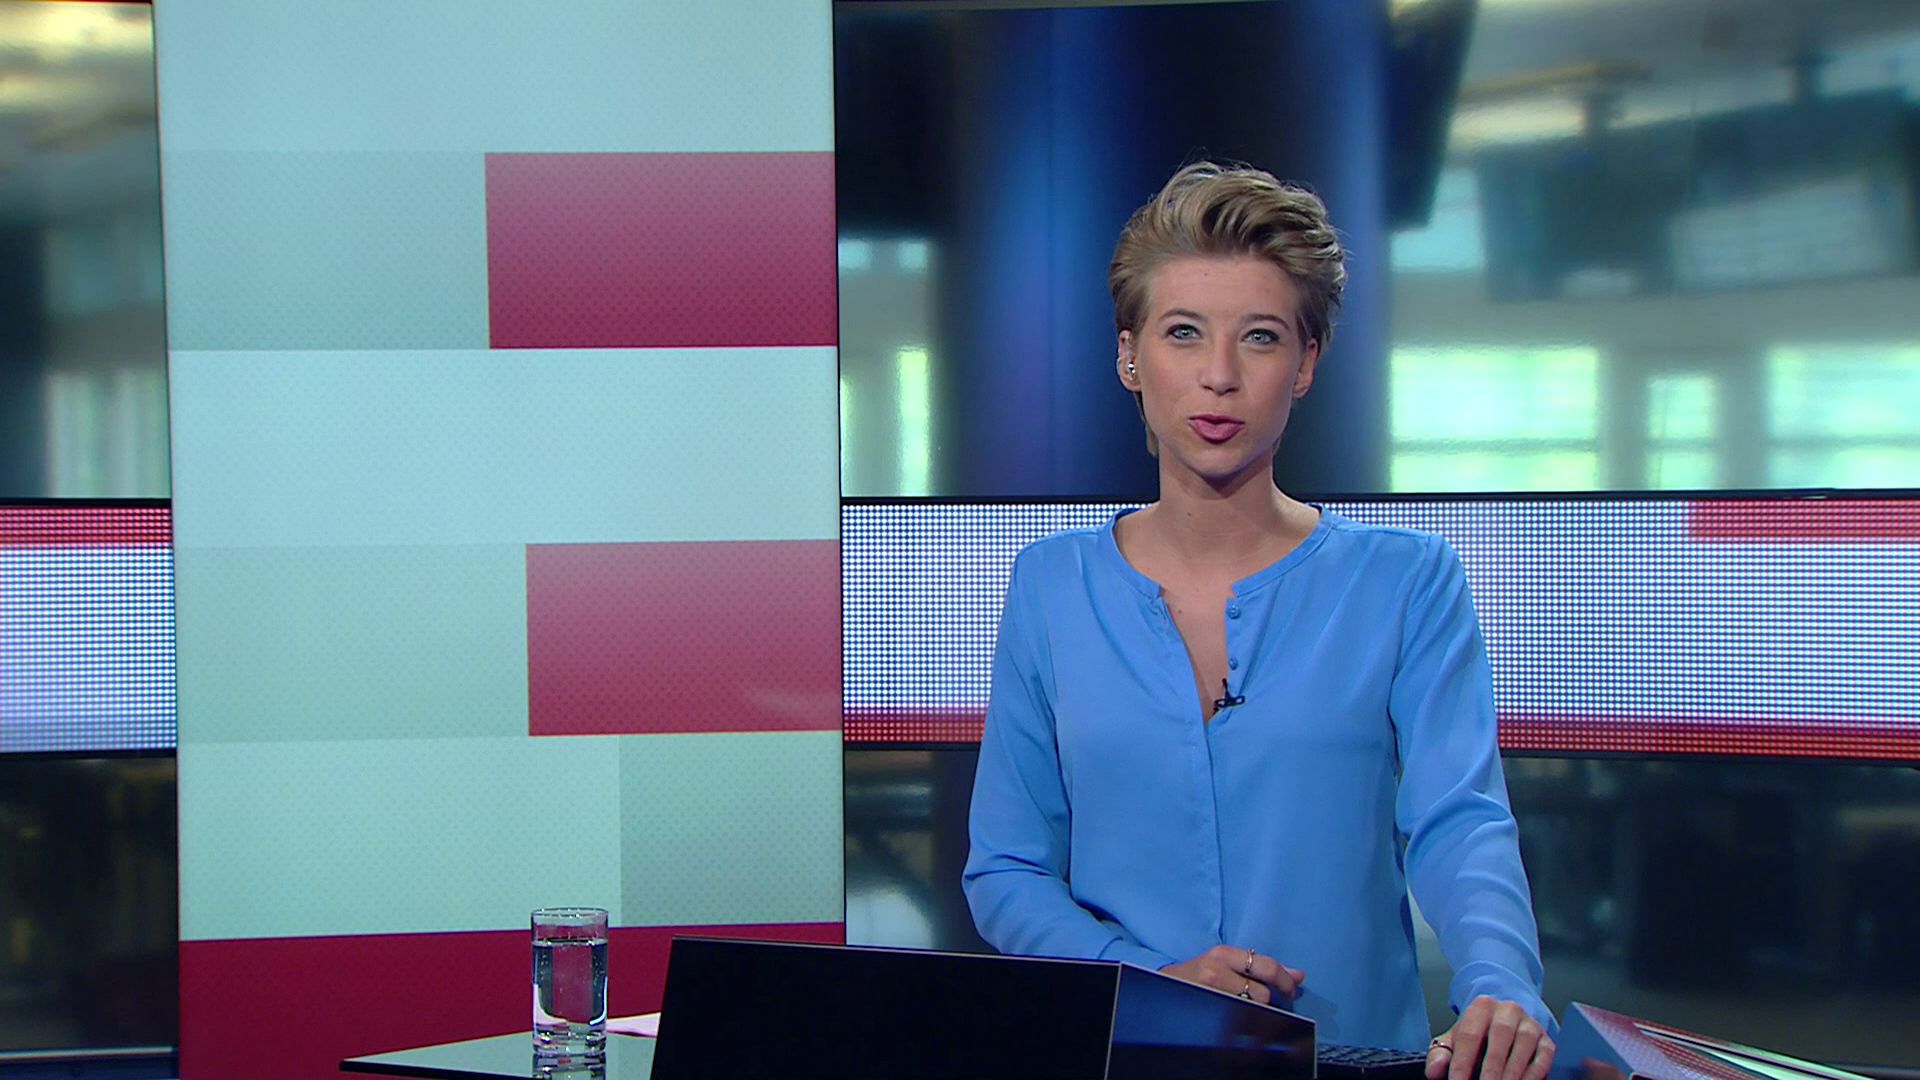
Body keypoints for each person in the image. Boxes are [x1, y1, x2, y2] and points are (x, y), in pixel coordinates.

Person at [962, 162, 1556, 1080]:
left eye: (1262, 338)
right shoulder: (1051, 585)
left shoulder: (1408, 580)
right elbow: (1007, 867)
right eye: (1184, 333)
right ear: (1129, 356)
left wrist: (1502, 984)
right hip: (1129, 1059)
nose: (1220, 377)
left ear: (1307, 363)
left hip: (1354, 1062)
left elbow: (1458, 821)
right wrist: (1148, 979)